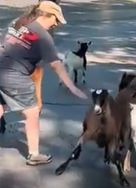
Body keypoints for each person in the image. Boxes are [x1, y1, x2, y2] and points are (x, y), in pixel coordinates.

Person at [0, 1, 88, 166]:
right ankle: (34, 154)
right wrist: (72, 87)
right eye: (56, 19)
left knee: (2, 107)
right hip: (15, 76)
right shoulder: (43, 36)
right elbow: (56, 65)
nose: (56, 24)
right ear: (46, 15)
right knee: (32, 112)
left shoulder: (19, 22)